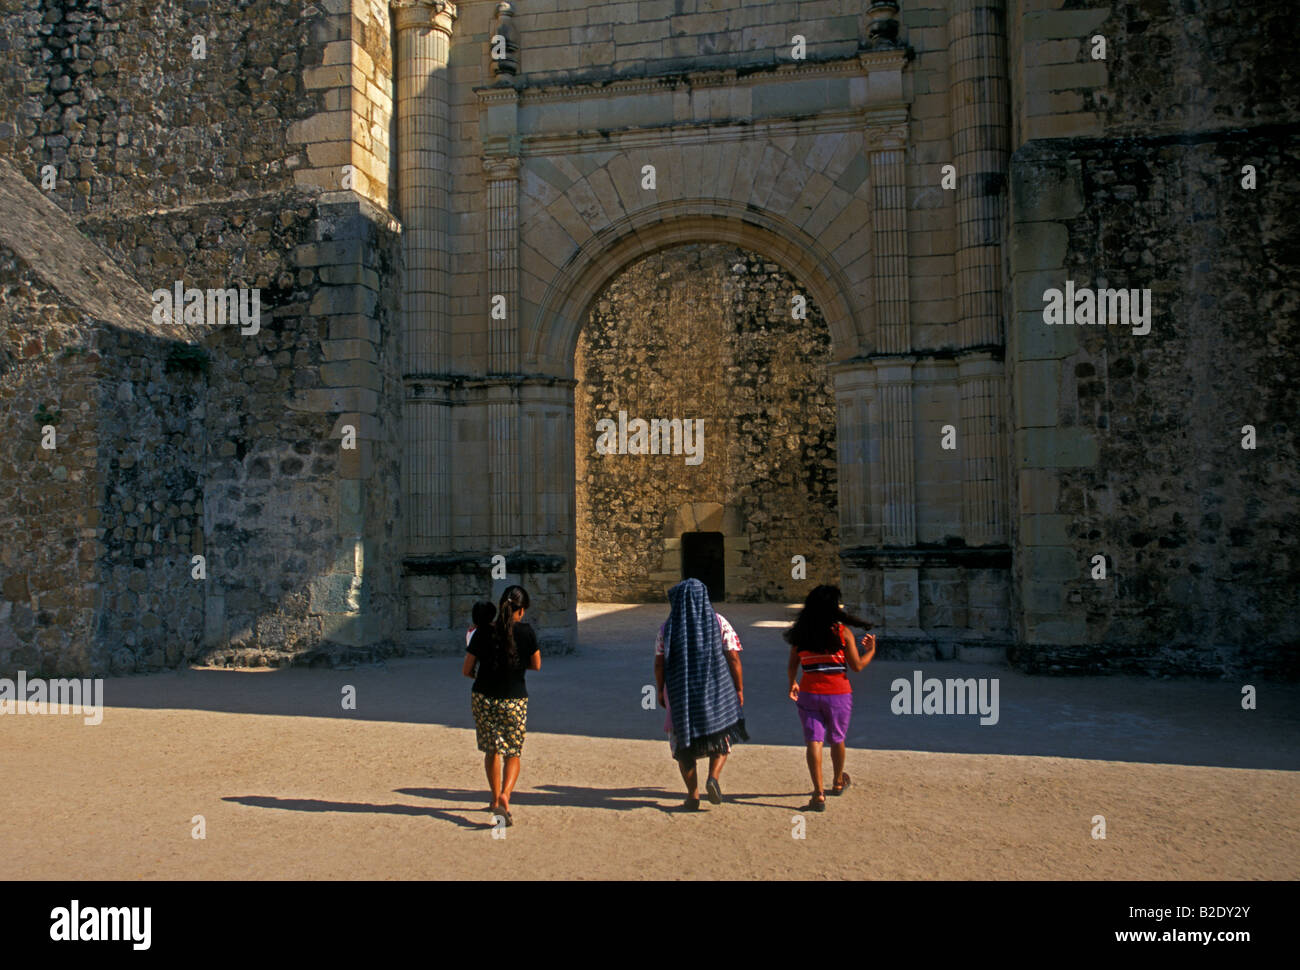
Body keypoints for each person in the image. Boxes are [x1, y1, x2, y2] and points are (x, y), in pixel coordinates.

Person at [653, 578, 747, 810]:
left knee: (683, 745)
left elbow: (658, 663)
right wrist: (738, 688)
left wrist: (660, 690)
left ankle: (692, 796)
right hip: (715, 691)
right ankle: (713, 778)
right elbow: (733, 657)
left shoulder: (667, 627)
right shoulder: (719, 622)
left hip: (681, 692)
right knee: (722, 737)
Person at [784, 585, 875, 812]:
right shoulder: (842, 633)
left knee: (814, 741)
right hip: (838, 693)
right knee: (837, 738)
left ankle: (818, 793)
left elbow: (792, 664)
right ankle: (837, 781)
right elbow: (857, 666)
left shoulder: (801, 633)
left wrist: (793, 682)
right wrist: (871, 651)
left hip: (809, 692)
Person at [462, 585, 540, 826]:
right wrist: (514, 667)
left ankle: (494, 799)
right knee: (513, 752)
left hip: (484, 696)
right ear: (522, 610)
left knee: (491, 749)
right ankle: (506, 794)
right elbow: (536, 665)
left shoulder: (483, 632)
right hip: (513, 697)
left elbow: (466, 670)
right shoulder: (526, 632)